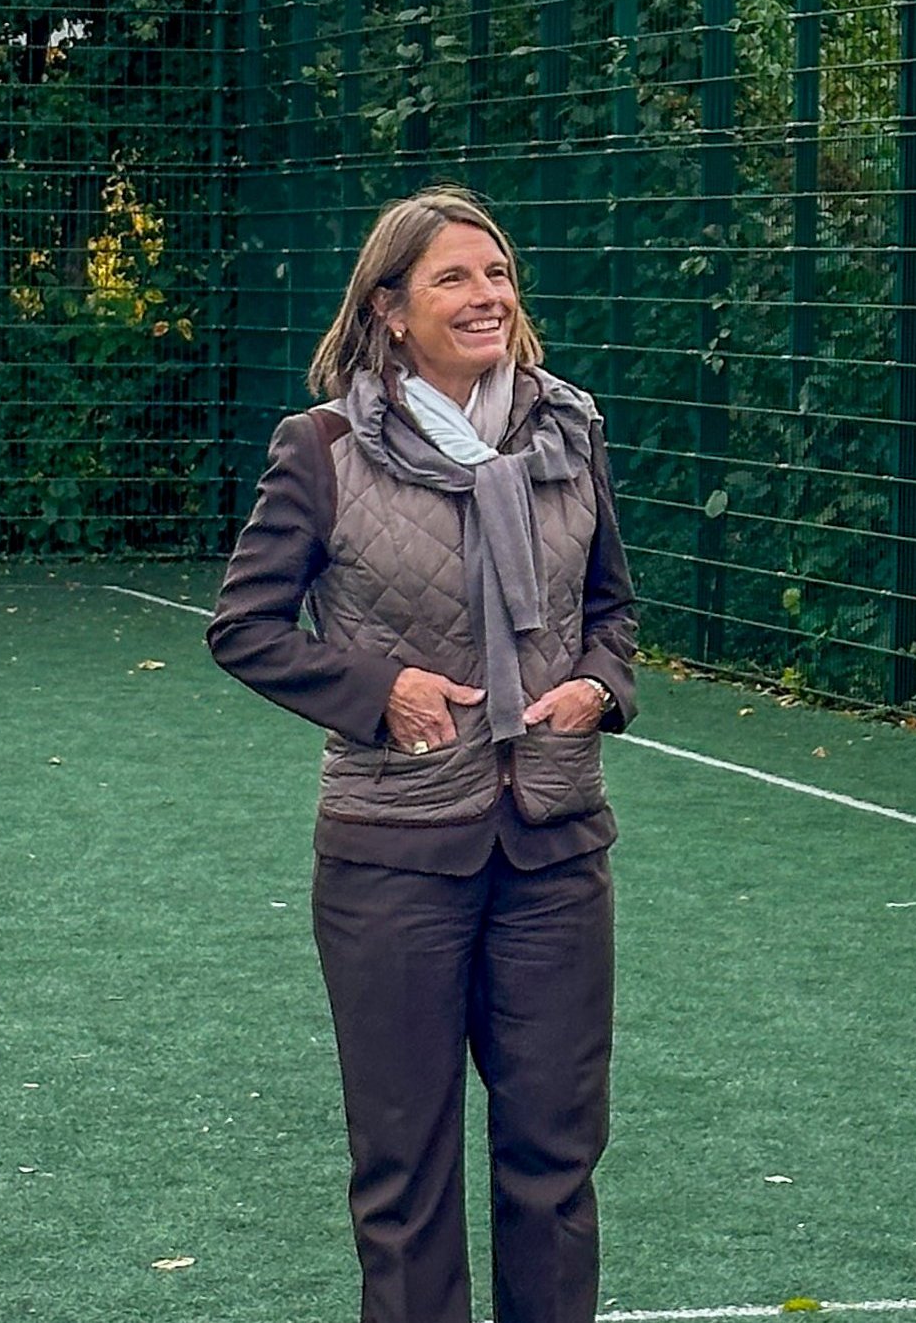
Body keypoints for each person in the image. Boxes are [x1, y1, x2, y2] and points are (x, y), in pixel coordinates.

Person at [207, 187, 637, 1323]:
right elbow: (243, 626)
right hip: (390, 856)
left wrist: (603, 685)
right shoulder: (323, 446)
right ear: (391, 308)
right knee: (403, 1180)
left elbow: (612, 609)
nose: (486, 295)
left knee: (556, 1163)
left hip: (554, 849)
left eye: (495, 274)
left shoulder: (569, 425)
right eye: (453, 278)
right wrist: (376, 690)